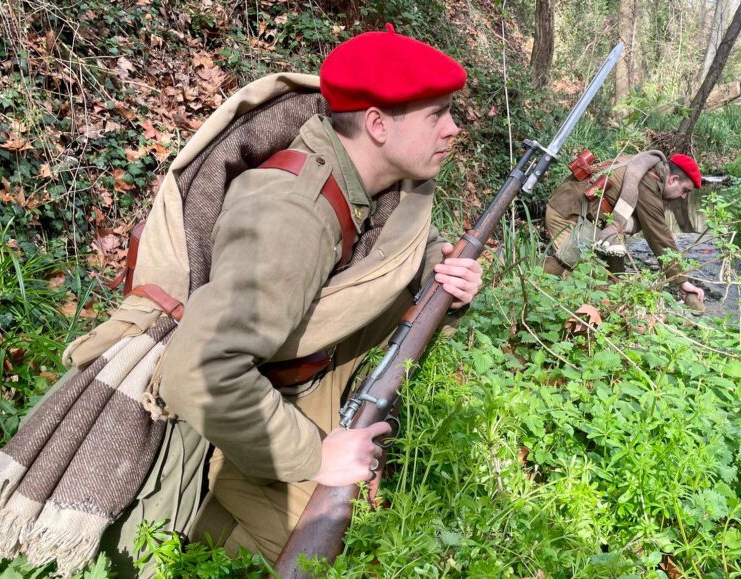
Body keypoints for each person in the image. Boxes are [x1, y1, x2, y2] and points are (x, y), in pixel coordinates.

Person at [102, 25, 483, 568]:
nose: (454, 129)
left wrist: (448, 284)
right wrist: (316, 455)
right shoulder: (294, 216)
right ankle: (174, 523)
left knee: (345, 517)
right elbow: (200, 371)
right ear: (377, 125)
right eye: (437, 115)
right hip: (218, 413)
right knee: (308, 551)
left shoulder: (376, 184)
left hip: (296, 379)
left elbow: (392, 255)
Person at [542, 150, 706, 310]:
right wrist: (681, 280)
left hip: (584, 214)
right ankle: (537, 284)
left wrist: (617, 278)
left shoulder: (645, 166)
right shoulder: (648, 182)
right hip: (567, 213)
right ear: (673, 179)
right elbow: (660, 236)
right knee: (579, 276)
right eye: (685, 190)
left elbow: (617, 233)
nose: (684, 196)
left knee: (608, 283)